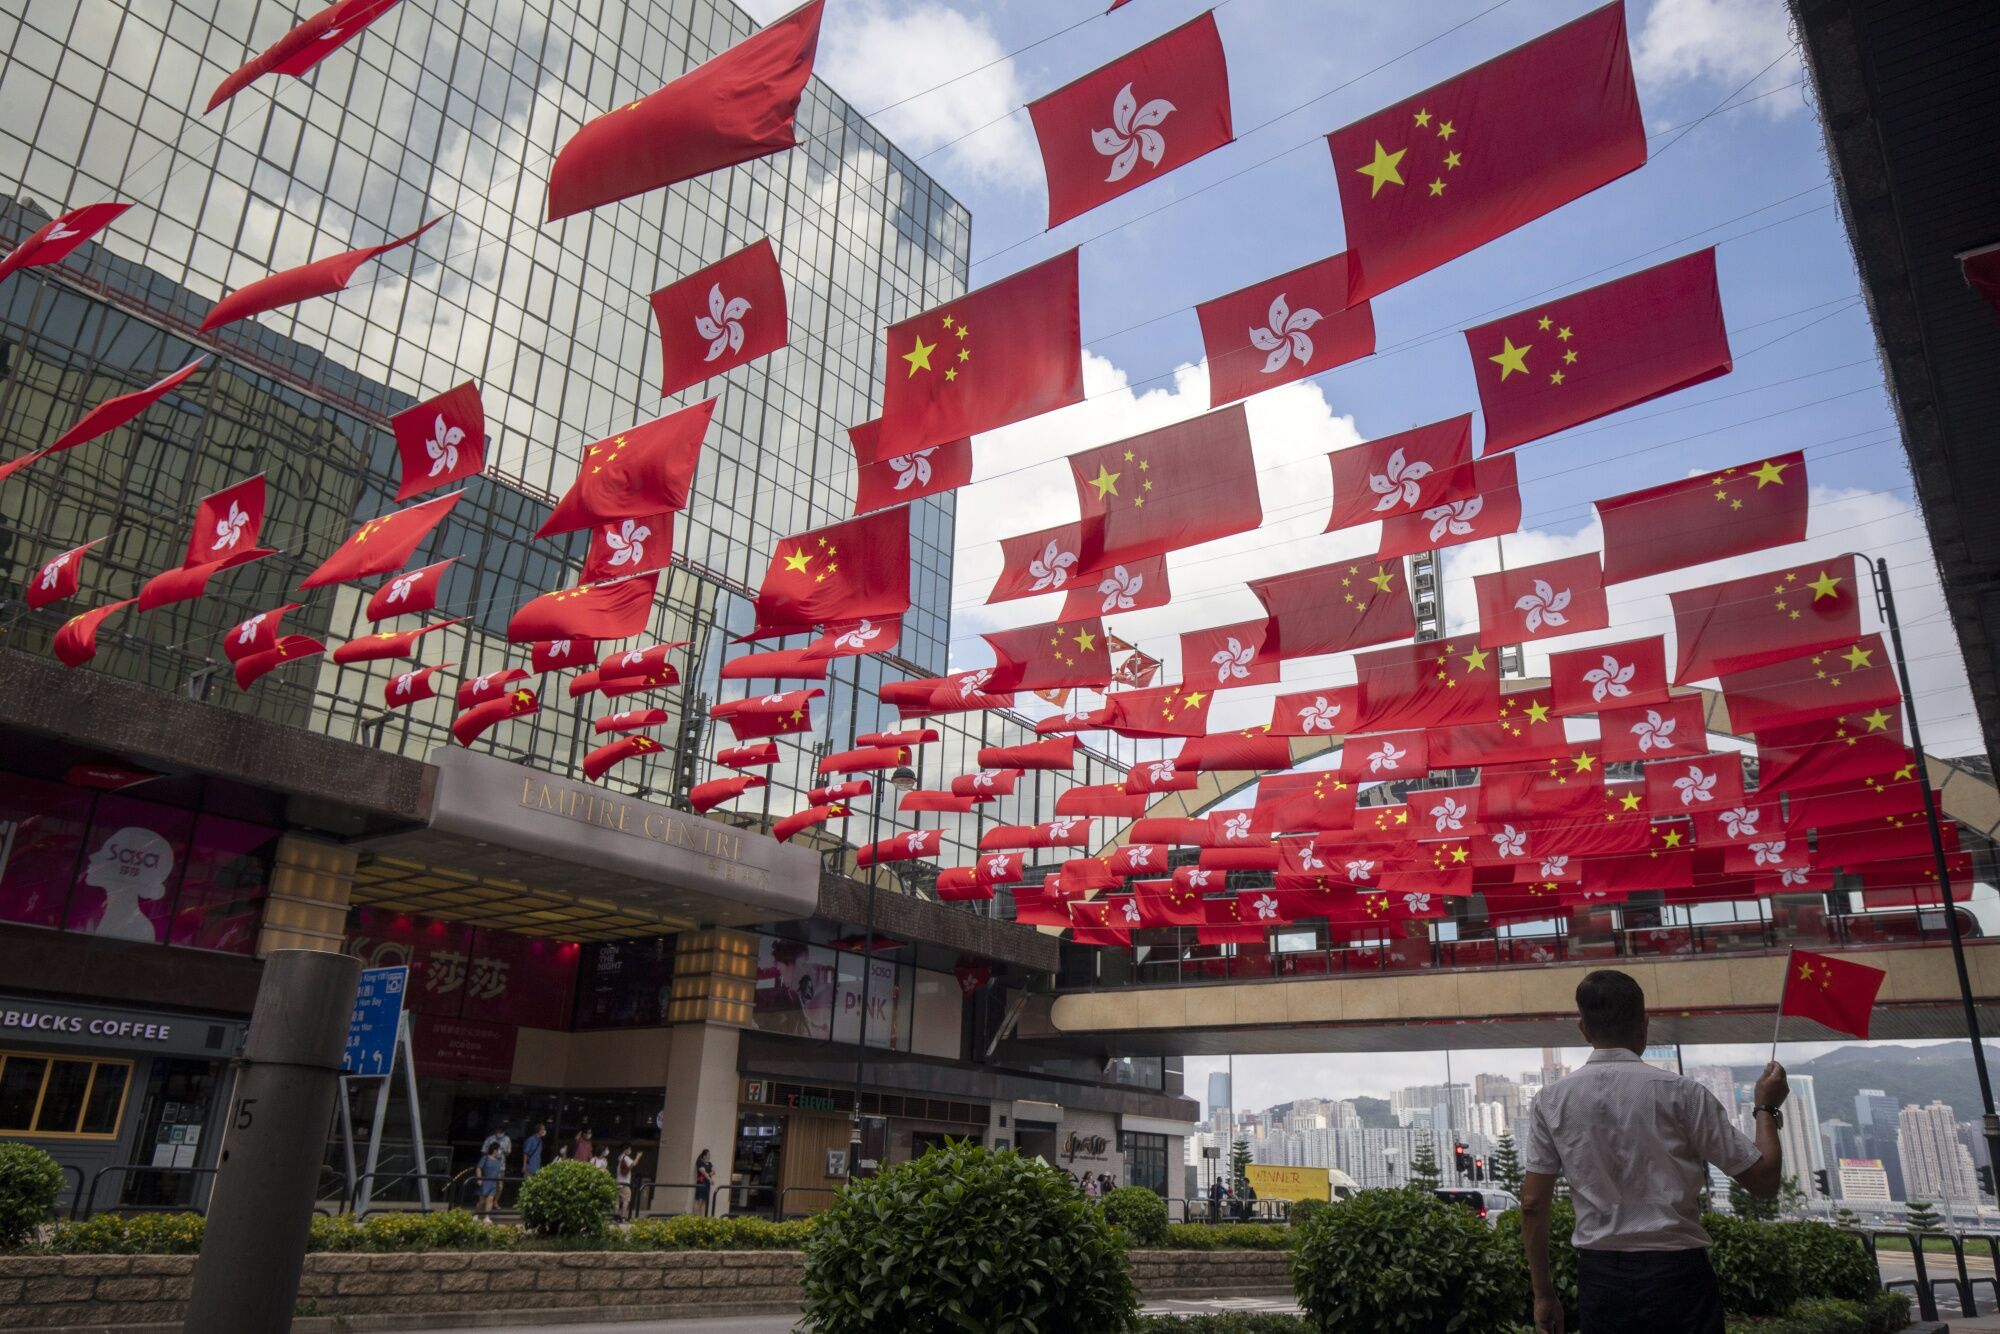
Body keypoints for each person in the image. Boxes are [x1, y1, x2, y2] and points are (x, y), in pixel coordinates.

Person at [1522, 969, 1789, 1334]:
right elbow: (1764, 1181)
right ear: (1644, 1024)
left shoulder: (1549, 1102)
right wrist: (1766, 1108)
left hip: (1601, 1279)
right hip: (1679, 1279)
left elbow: (1533, 1204)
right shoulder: (1685, 1095)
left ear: (1583, 1028)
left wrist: (1544, 1295)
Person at [474, 1143, 503, 1218]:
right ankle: (476, 1215)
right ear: (494, 1150)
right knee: (482, 1201)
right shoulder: (485, 1158)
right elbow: (479, 1168)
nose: (500, 1152)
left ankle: (487, 1217)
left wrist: (499, 1182)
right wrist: (479, 1179)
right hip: (485, 1181)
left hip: (493, 1183)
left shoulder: (498, 1161)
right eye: (499, 1150)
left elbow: (498, 1173)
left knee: (490, 1199)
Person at [615, 1144, 637, 1221]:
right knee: (626, 1200)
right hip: (625, 1183)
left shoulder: (620, 1157)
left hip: (618, 1183)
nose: (630, 1150)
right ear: (625, 1149)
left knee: (617, 1201)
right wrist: (638, 1157)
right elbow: (633, 1164)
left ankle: (615, 1216)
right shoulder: (626, 1157)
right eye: (629, 1149)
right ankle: (622, 1217)